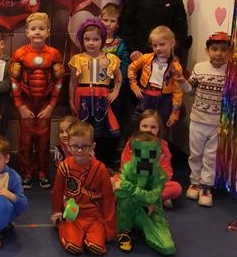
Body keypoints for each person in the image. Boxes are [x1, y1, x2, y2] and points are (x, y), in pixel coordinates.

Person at [9, 12, 65, 189]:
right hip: (26, 103)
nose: (37, 32)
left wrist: (51, 106)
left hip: (44, 104)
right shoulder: (20, 53)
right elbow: (14, 81)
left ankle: (43, 173)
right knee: (25, 141)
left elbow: (58, 82)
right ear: (27, 32)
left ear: (48, 32)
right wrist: (20, 106)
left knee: (43, 141)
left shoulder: (54, 54)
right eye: (33, 29)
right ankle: (26, 173)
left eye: (41, 28)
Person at [176, 31, 231, 207]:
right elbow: (190, 90)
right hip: (198, 119)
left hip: (217, 124)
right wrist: (181, 81)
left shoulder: (231, 72)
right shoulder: (199, 67)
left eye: (224, 50)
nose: (219, 53)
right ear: (207, 51)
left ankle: (206, 187)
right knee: (196, 153)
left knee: (211, 157)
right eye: (214, 49)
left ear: (229, 52)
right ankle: (194, 182)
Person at [51, 121, 116, 255]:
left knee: (96, 247)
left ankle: (92, 235)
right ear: (68, 146)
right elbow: (57, 191)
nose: (79, 150)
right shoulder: (64, 167)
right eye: (75, 146)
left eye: (84, 146)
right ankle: (65, 227)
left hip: (94, 216)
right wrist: (57, 212)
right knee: (73, 245)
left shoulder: (101, 169)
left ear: (92, 146)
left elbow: (108, 199)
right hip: (73, 215)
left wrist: (109, 228)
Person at [68, 18, 122, 168]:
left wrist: (116, 91)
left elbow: (118, 76)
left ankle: (105, 162)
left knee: (111, 130)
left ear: (102, 40)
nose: (91, 43)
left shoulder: (110, 59)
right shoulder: (77, 59)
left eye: (95, 39)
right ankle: (86, 162)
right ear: (82, 40)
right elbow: (73, 81)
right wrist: (71, 98)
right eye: (87, 39)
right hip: (83, 98)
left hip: (102, 97)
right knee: (84, 130)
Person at [115, 131, 176, 255]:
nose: (145, 159)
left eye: (151, 154)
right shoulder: (128, 168)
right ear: (132, 152)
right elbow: (120, 193)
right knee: (125, 200)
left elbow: (152, 197)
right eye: (140, 153)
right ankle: (125, 231)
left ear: (158, 154)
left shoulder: (160, 175)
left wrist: (130, 189)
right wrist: (145, 199)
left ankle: (142, 226)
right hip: (131, 210)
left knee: (168, 247)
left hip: (150, 211)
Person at [113, 109, 182, 209]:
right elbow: (125, 167)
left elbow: (167, 173)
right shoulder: (131, 144)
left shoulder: (163, 147)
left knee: (176, 188)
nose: (148, 130)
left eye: (153, 127)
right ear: (139, 127)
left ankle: (135, 199)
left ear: (159, 129)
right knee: (112, 181)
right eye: (144, 126)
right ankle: (151, 200)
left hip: (153, 184)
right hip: (133, 182)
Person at [127, 25, 183, 131]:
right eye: (155, 45)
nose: (158, 48)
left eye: (162, 44)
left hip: (164, 100)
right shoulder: (146, 58)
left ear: (172, 43)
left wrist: (175, 114)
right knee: (136, 124)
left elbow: (178, 92)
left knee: (161, 128)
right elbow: (131, 68)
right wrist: (134, 86)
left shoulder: (176, 67)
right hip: (146, 96)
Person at [101, 2, 131, 143]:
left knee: (115, 118)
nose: (108, 24)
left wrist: (117, 88)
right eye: (105, 20)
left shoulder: (121, 44)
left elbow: (124, 67)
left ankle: (113, 147)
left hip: (115, 88)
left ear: (118, 24)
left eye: (112, 21)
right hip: (98, 87)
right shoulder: (94, 40)